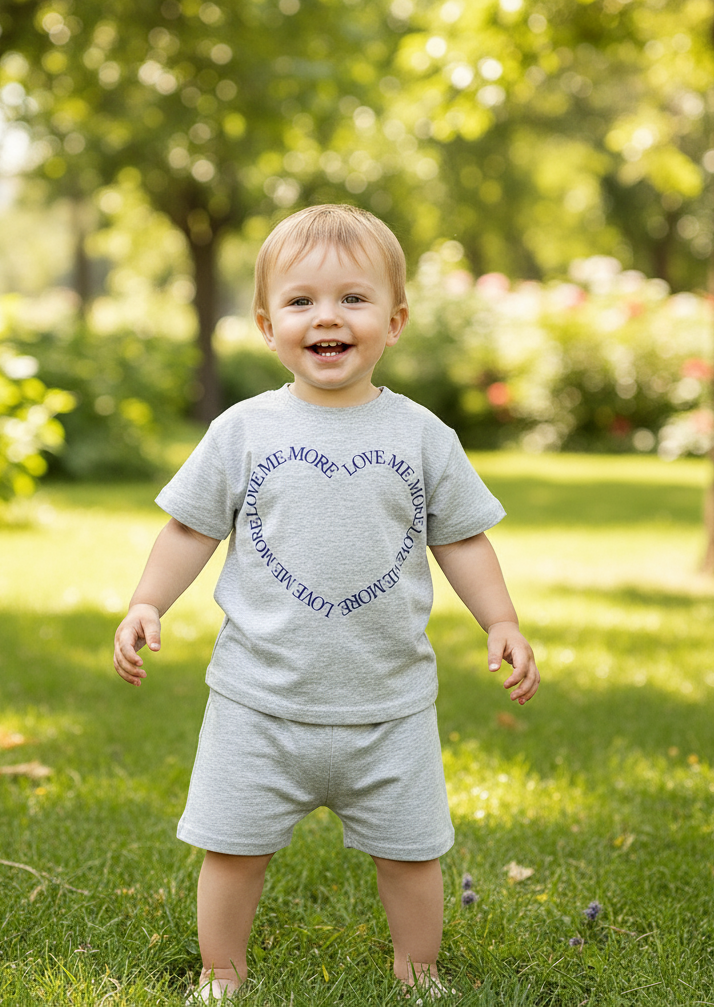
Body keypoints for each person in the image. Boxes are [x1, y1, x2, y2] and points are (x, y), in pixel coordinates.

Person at [113, 204, 539, 1002]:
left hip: (389, 707)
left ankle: (418, 971)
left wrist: (501, 620)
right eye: (302, 301)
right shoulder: (243, 430)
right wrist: (147, 602)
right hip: (257, 703)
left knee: (412, 854)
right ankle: (221, 972)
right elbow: (190, 527)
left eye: (353, 298)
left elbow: (462, 539)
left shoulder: (422, 435)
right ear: (267, 324)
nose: (328, 317)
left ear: (395, 321)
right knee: (232, 850)